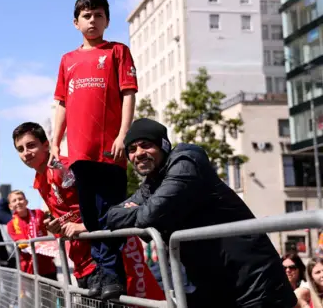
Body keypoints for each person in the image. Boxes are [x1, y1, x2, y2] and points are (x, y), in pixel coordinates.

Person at [105, 117, 296, 308]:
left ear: (163, 145)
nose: (138, 153)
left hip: (254, 281)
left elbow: (149, 216)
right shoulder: (152, 183)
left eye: (145, 145)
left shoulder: (186, 162)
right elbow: (113, 216)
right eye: (131, 149)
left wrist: (141, 212)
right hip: (217, 285)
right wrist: (140, 212)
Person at [50, 0, 137, 299]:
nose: (93, 20)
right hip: (79, 151)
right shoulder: (67, 60)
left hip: (109, 149)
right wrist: (54, 141)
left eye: (99, 15)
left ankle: (113, 273)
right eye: (87, 16)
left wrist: (123, 133)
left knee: (110, 212)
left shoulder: (117, 52)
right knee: (89, 213)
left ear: (107, 20)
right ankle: (102, 270)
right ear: (76, 23)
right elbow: (60, 103)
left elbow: (128, 94)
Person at [12, 122, 96, 287]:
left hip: (101, 255)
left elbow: (102, 203)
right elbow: (68, 214)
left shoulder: (63, 168)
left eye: (30, 146)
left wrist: (84, 226)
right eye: (20, 149)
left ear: (46, 145)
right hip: (80, 259)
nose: (26, 153)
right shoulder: (39, 180)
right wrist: (55, 226)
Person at [6, 190, 57, 280]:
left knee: (53, 292)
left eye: (20, 199)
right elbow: (19, 242)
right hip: (28, 268)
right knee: (32, 294)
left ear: (26, 202)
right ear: (10, 206)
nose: (18, 202)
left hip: (46, 265)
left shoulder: (39, 213)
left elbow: (51, 225)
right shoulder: (11, 225)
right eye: (14, 200)